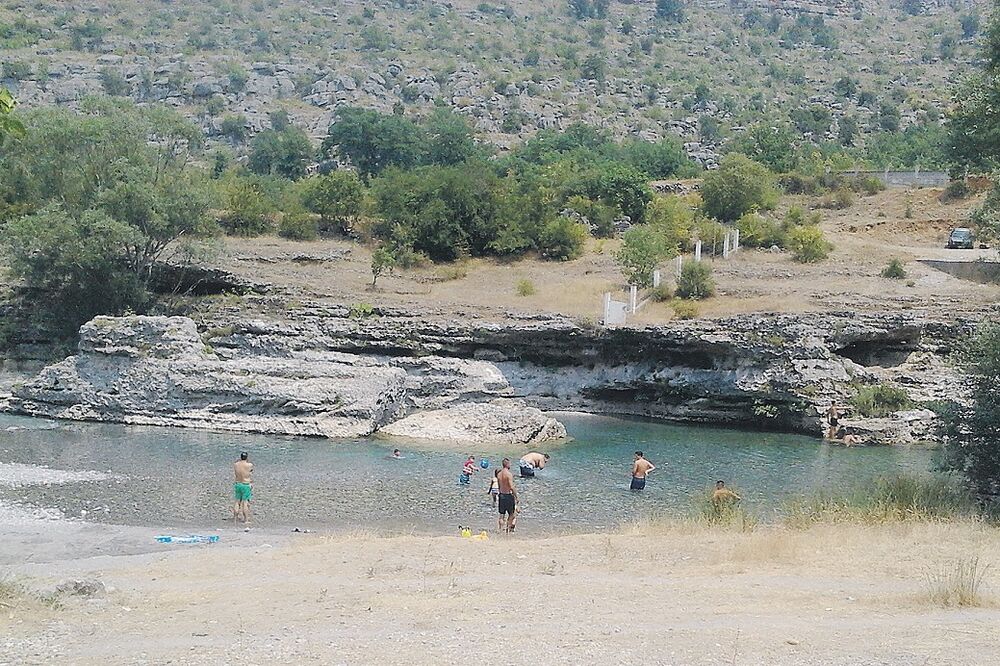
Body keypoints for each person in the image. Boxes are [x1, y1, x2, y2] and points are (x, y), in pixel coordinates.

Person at [497, 458, 518, 533]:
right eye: (509, 464)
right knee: (511, 514)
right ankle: (507, 530)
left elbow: (499, 486)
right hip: (508, 495)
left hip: (501, 495)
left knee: (501, 515)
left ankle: (500, 530)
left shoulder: (499, 474)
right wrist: (516, 496)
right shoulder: (509, 474)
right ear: (507, 464)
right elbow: (511, 486)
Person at [233, 451, 253, 526]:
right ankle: (246, 520)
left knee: (237, 501)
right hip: (245, 484)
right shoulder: (249, 465)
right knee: (245, 502)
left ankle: (235, 518)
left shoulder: (236, 464)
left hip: (238, 484)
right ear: (246, 457)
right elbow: (250, 473)